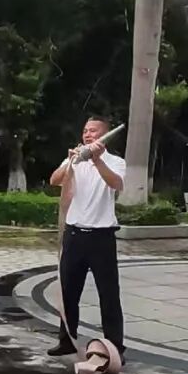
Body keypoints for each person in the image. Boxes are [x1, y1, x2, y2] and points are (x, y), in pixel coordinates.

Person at [48, 117, 126, 361]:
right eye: (85, 131)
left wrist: (97, 160)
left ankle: (114, 348)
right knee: (68, 292)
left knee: (109, 295)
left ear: (104, 135)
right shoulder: (75, 159)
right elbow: (54, 180)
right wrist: (71, 163)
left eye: (93, 131)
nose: (88, 134)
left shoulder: (116, 162)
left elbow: (116, 184)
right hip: (74, 235)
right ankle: (66, 341)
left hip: (102, 238)